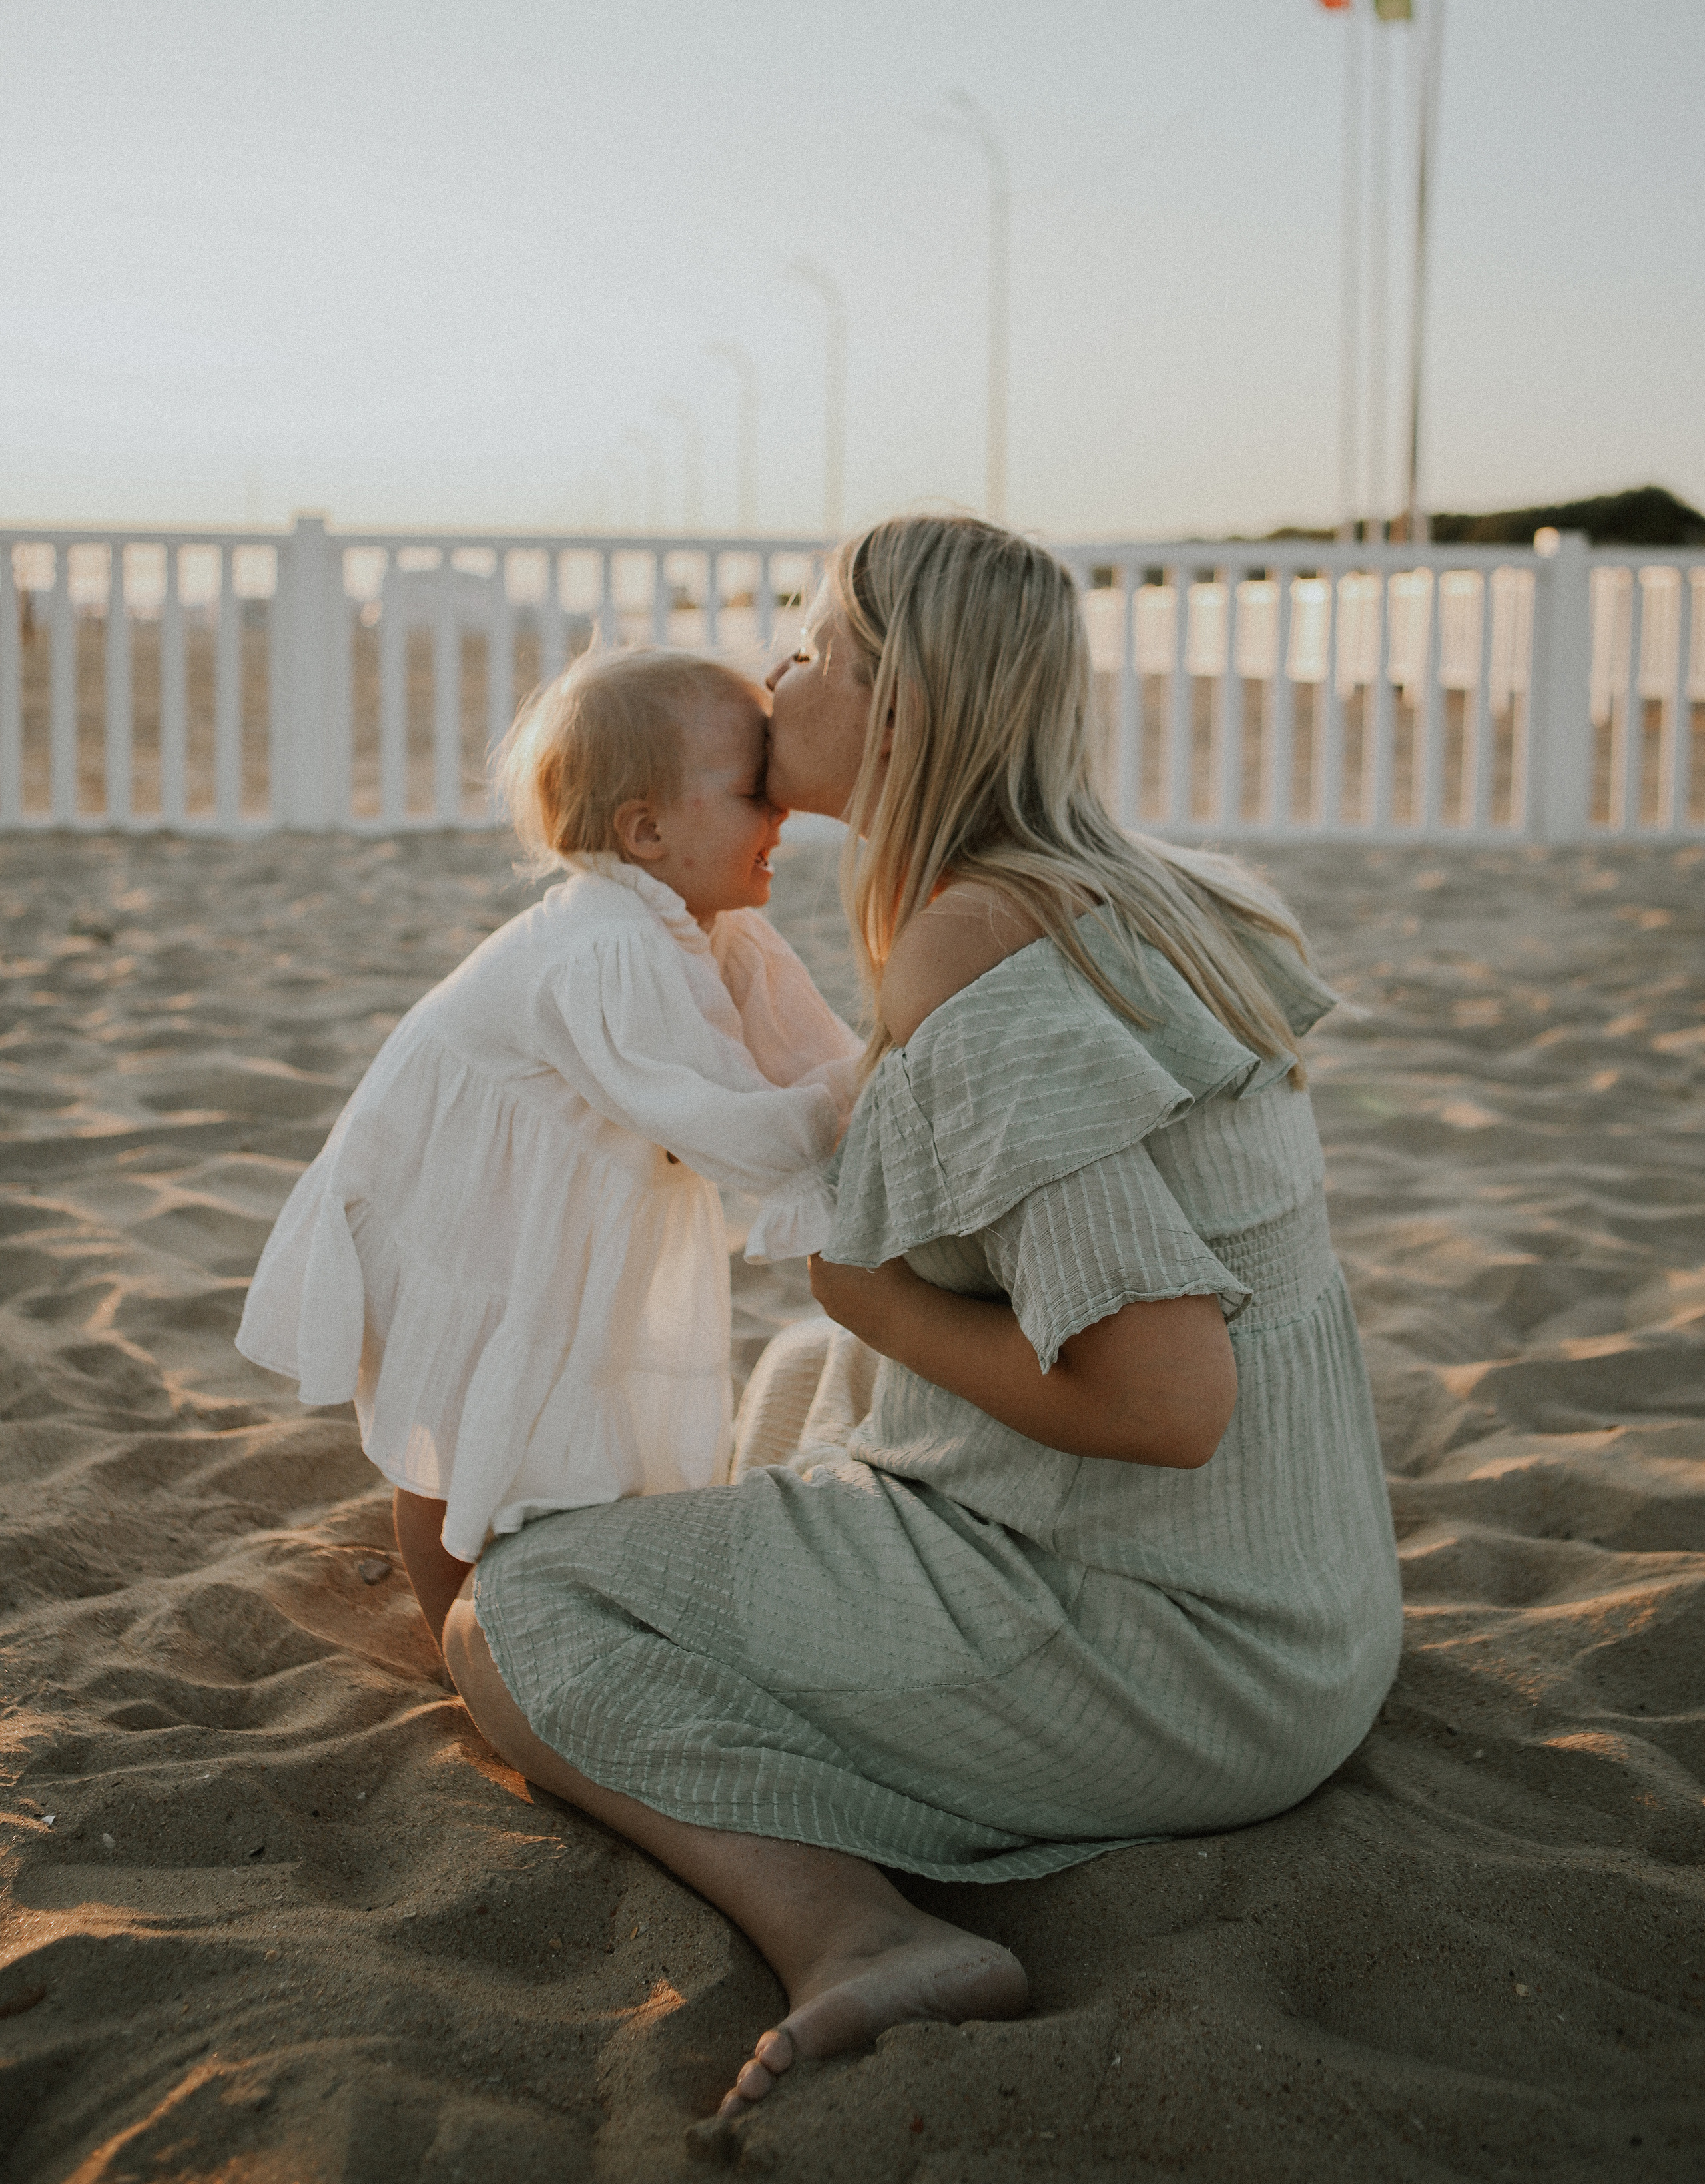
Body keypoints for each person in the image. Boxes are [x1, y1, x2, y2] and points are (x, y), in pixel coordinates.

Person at [444, 515, 1402, 2121]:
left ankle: (855, 1928)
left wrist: (863, 1289)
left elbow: (1170, 1403)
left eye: (808, 648)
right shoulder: (1152, 887)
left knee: (514, 1614)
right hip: (1312, 1621)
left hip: (1185, 1667)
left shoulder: (975, 940)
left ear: (895, 709)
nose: (774, 674)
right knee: (806, 1379)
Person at [237, 644, 860, 1646]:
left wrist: (873, 1080)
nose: (784, 813)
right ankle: (460, 1650)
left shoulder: (712, 924)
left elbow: (808, 1059)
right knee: (449, 1428)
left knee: (556, 1408)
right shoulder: (608, 943)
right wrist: (866, 1096)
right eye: (756, 790)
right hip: (459, 1209)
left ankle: (534, 1607)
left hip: (552, 1206)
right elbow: (727, 1123)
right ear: (646, 829)